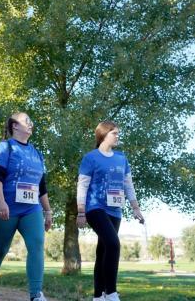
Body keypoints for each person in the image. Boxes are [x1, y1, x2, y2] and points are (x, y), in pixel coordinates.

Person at [0, 112, 53, 301]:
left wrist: (47, 211)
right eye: (26, 121)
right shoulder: (5, 147)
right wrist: (1, 201)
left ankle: (36, 294)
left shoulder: (37, 153)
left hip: (31, 208)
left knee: (37, 244)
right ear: (14, 126)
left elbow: (41, 186)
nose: (31, 124)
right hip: (6, 207)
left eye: (31, 121)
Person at [77, 121, 145, 301]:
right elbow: (82, 185)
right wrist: (81, 211)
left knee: (103, 250)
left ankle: (98, 296)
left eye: (117, 133)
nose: (117, 136)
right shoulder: (91, 158)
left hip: (115, 209)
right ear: (103, 135)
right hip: (95, 207)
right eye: (114, 133)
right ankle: (111, 292)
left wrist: (136, 208)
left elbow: (128, 184)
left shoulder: (121, 158)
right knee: (114, 244)